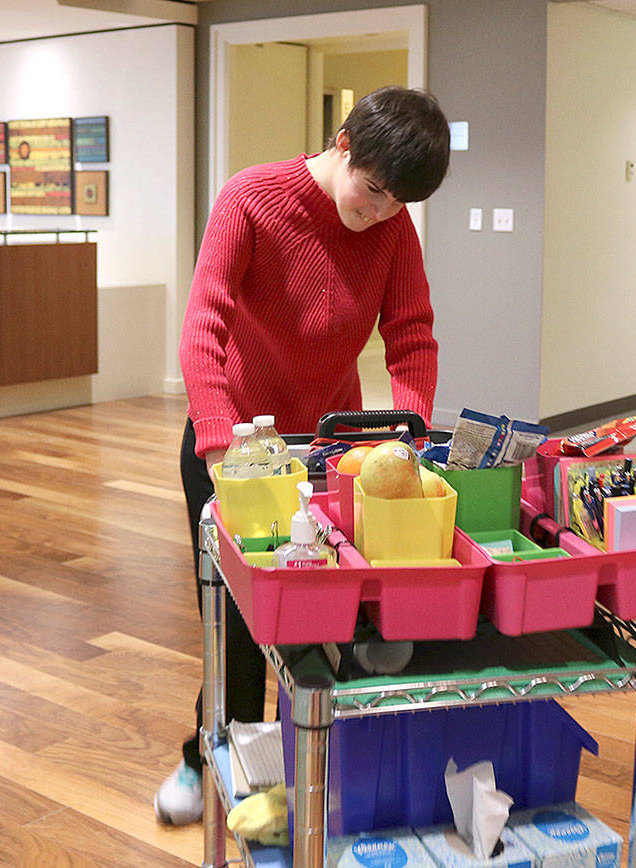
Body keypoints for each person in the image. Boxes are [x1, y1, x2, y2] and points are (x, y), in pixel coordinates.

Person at [155, 85, 451, 826]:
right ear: (343, 144)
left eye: (397, 204)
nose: (378, 212)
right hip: (235, 448)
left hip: (326, 450)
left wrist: (403, 436)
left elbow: (411, 334)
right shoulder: (250, 198)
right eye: (373, 190)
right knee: (240, 623)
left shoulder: (392, 229)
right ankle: (207, 760)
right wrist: (225, 446)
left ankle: (306, 770)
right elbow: (204, 326)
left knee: (331, 614)